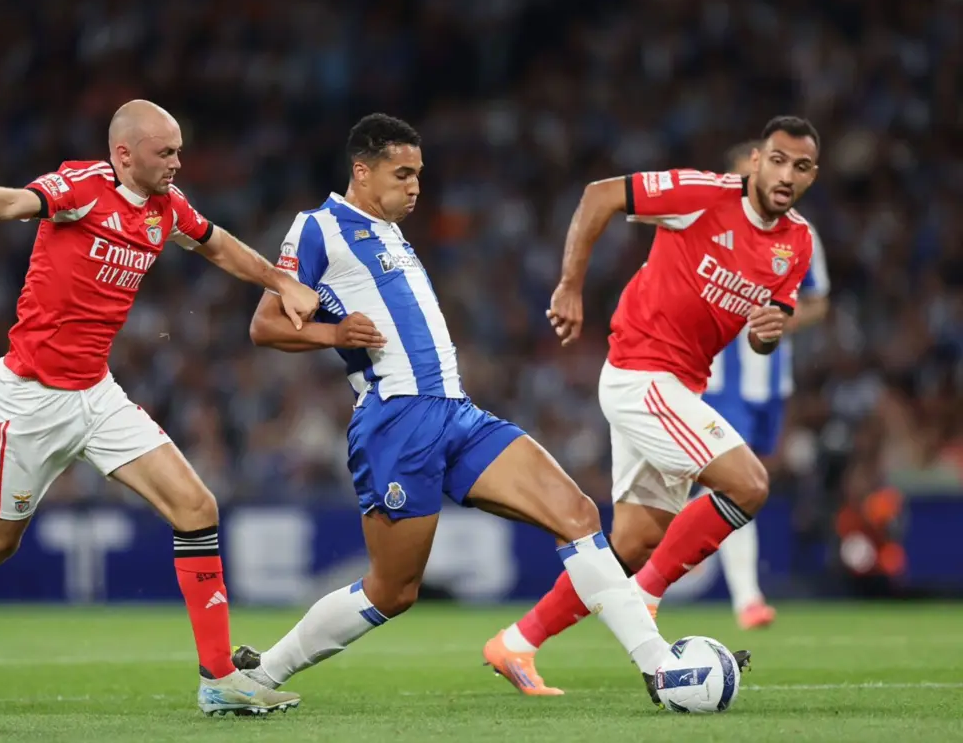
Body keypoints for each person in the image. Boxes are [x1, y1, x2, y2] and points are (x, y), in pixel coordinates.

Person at [0, 100, 316, 716]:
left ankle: (218, 678)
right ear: (123, 154)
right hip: (27, 400)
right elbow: (15, 202)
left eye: (180, 150)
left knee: (196, 507)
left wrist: (282, 282)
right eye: (166, 153)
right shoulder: (83, 187)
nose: (177, 163)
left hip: (96, 393)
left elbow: (216, 245)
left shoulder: (168, 207)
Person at [232, 112, 679, 707]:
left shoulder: (392, 232)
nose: (415, 185)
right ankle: (260, 676)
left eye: (419, 173)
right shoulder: (319, 228)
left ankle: (659, 667)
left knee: (576, 513)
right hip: (398, 420)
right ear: (361, 172)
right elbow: (265, 324)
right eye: (402, 173)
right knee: (393, 591)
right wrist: (334, 337)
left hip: (458, 414)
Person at [485, 115, 820, 694]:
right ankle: (646, 596)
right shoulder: (704, 195)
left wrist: (770, 331)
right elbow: (600, 195)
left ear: (813, 175)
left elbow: (767, 330)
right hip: (641, 374)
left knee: (636, 540)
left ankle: (516, 643)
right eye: (779, 159)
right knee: (749, 485)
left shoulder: (798, 242)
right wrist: (570, 284)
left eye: (803, 166)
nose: (787, 174)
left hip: (679, 384)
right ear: (758, 160)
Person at [698, 141, 831, 630]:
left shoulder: (799, 233)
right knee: (734, 484)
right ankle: (746, 597)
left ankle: (645, 583)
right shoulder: (709, 223)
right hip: (713, 380)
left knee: (728, 487)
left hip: (768, 384)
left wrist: (781, 321)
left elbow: (817, 301)